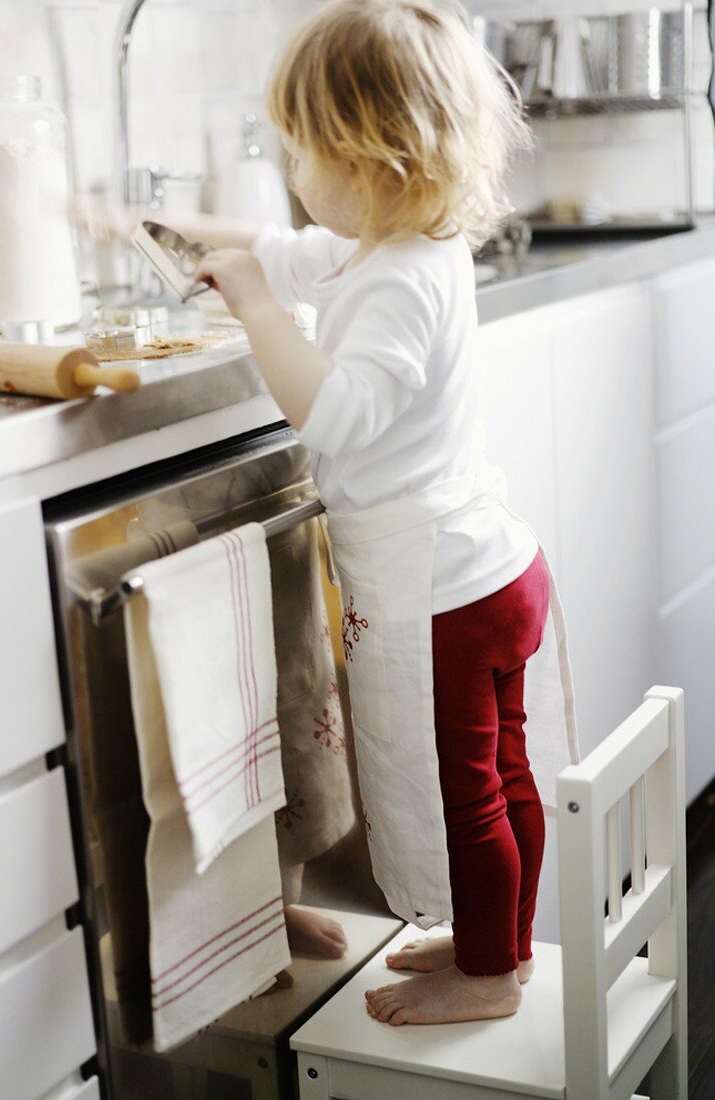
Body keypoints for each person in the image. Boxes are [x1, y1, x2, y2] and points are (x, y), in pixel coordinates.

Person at [82, 0, 579, 1026]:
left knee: (465, 793)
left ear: (369, 158)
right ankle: (505, 943)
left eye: (302, 150)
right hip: (487, 566)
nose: (295, 171)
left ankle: (486, 976)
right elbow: (274, 241)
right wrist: (151, 229)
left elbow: (340, 415)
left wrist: (259, 307)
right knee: (504, 773)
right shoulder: (394, 246)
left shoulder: (396, 280)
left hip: (436, 589)